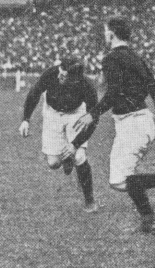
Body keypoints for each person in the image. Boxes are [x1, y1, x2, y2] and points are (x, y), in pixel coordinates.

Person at [67, 17, 155, 233]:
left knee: (120, 179)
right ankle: (151, 212)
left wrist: (92, 114)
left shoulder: (111, 58)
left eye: (106, 31)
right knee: (123, 178)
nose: (105, 35)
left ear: (112, 33)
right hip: (142, 121)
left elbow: (114, 92)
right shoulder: (136, 57)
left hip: (131, 123)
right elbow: (154, 88)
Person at [19, 58, 99, 212]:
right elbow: (34, 93)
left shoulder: (87, 85)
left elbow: (94, 119)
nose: (58, 77)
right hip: (52, 112)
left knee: (79, 156)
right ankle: (66, 159)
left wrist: (75, 144)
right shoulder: (51, 73)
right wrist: (26, 120)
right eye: (60, 73)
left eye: (63, 76)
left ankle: (89, 200)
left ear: (75, 79)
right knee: (53, 163)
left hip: (76, 113)